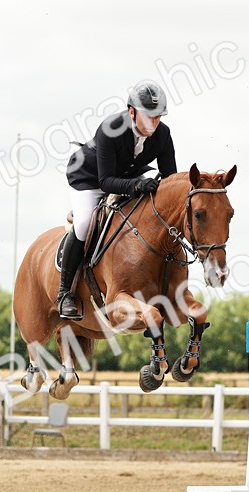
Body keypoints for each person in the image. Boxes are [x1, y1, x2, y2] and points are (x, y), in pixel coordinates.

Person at [59, 80, 178, 320]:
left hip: (128, 175)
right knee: (83, 223)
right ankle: (65, 294)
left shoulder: (163, 134)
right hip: (90, 179)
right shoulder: (111, 128)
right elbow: (106, 183)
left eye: (158, 117)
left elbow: (170, 177)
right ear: (132, 112)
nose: (153, 123)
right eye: (148, 116)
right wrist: (136, 185)